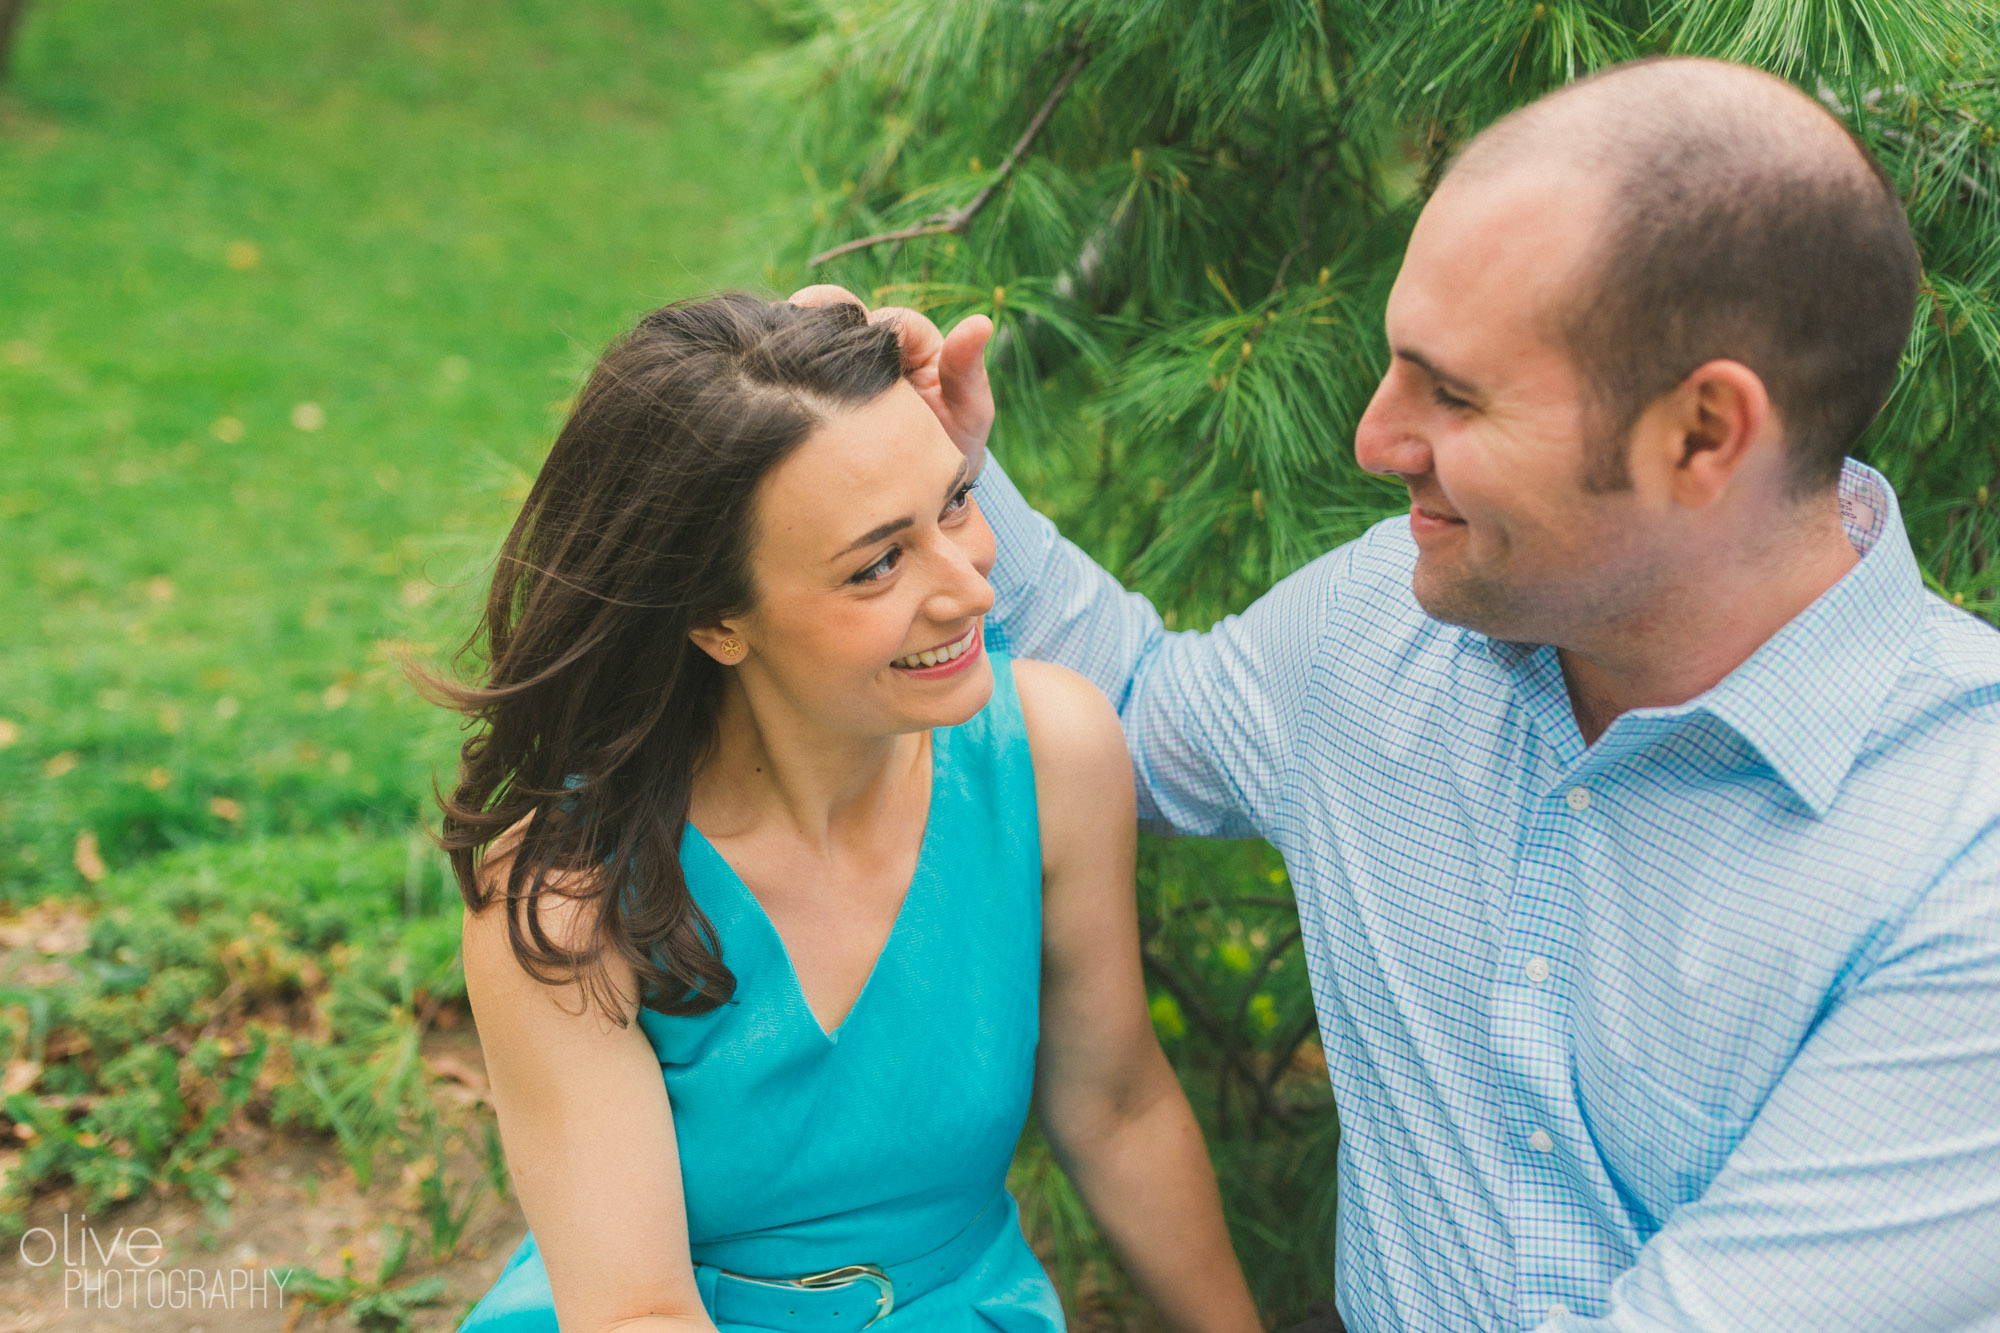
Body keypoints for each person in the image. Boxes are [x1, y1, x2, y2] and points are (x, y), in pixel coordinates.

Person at [795, 55, 2000, 1333]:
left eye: (1453, 394)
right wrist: (945, 481)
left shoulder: (1956, 856)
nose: (1373, 440)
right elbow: (1129, 718)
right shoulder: (1390, 622)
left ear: (1701, 435)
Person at [433, 295, 1262, 1333]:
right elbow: (635, 1309)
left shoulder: (1051, 755)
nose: (968, 587)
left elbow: (1118, 1108)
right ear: (713, 618)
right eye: (877, 562)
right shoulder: (567, 903)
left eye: (954, 501)